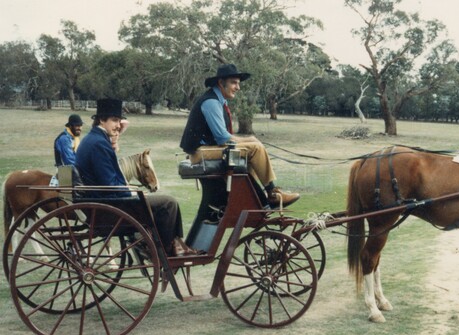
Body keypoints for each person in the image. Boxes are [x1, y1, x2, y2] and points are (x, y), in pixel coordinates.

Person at [76, 98, 196, 256]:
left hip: (100, 202)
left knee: (163, 202)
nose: (118, 125)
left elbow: (108, 180)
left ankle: (173, 244)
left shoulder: (91, 139)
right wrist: (131, 194)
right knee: (169, 203)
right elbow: (109, 184)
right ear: (101, 120)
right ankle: (167, 250)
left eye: (119, 121)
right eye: (114, 120)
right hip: (111, 208)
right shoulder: (99, 144)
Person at [180, 63, 300, 208]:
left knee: (250, 152)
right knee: (255, 148)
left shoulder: (218, 101)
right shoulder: (211, 102)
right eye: (234, 83)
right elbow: (223, 137)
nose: (238, 87)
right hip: (200, 153)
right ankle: (272, 194)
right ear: (221, 83)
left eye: (238, 83)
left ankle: (256, 198)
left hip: (207, 149)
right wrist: (249, 139)